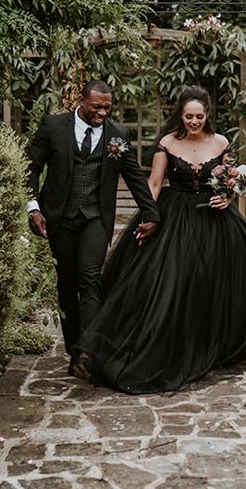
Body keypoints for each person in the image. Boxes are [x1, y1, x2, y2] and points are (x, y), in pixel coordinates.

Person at [75, 85, 246, 393]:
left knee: (210, 280)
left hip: (214, 220)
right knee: (172, 281)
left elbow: (230, 180)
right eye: (188, 116)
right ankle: (169, 346)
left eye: (199, 116)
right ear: (180, 116)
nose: (194, 121)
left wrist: (227, 197)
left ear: (207, 116)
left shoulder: (220, 142)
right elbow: (154, 183)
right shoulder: (167, 142)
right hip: (175, 216)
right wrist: (147, 216)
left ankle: (209, 343)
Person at [26, 79, 160, 376]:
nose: (102, 113)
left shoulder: (117, 135)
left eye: (107, 108)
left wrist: (151, 214)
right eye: (96, 107)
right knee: (67, 283)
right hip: (60, 218)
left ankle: (87, 352)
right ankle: (74, 349)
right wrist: (32, 207)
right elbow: (31, 167)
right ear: (81, 100)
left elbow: (135, 177)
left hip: (95, 218)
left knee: (90, 278)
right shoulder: (53, 126)